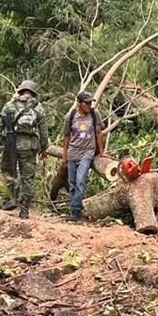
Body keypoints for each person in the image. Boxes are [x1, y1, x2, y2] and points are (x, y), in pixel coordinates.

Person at [0, 80, 49, 219]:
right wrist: (44, 148)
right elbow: (43, 131)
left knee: (8, 171)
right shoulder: (38, 107)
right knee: (27, 178)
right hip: (29, 147)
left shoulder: (10, 105)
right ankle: (24, 210)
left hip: (11, 144)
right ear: (33, 93)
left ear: (21, 90)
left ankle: (9, 200)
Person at [62, 91, 104, 221]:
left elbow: (98, 133)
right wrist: (64, 155)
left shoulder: (94, 114)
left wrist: (102, 152)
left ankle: (74, 211)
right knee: (73, 183)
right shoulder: (71, 116)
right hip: (73, 153)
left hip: (87, 153)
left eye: (91, 102)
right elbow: (67, 136)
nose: (90, 105)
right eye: (87, 103)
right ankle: (76, 210)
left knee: (80, 180)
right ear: (79, 103)